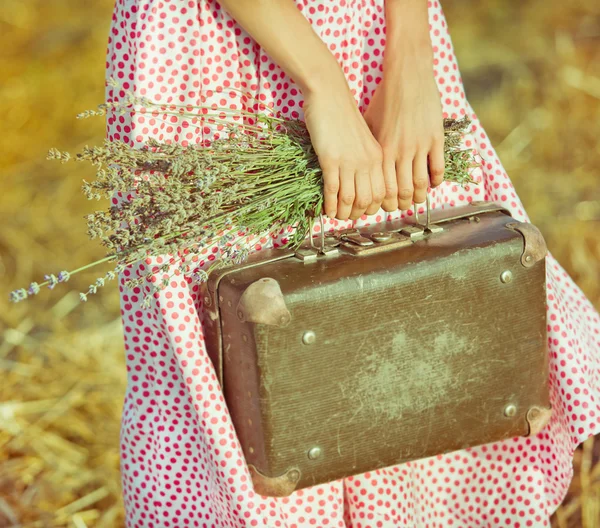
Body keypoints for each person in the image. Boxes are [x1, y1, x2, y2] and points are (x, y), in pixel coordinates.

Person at [105, 0, 600, 526]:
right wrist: (325, 85)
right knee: (250, 378)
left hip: (371, 31)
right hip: (215, 47)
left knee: (408, 331)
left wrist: (409, 56)